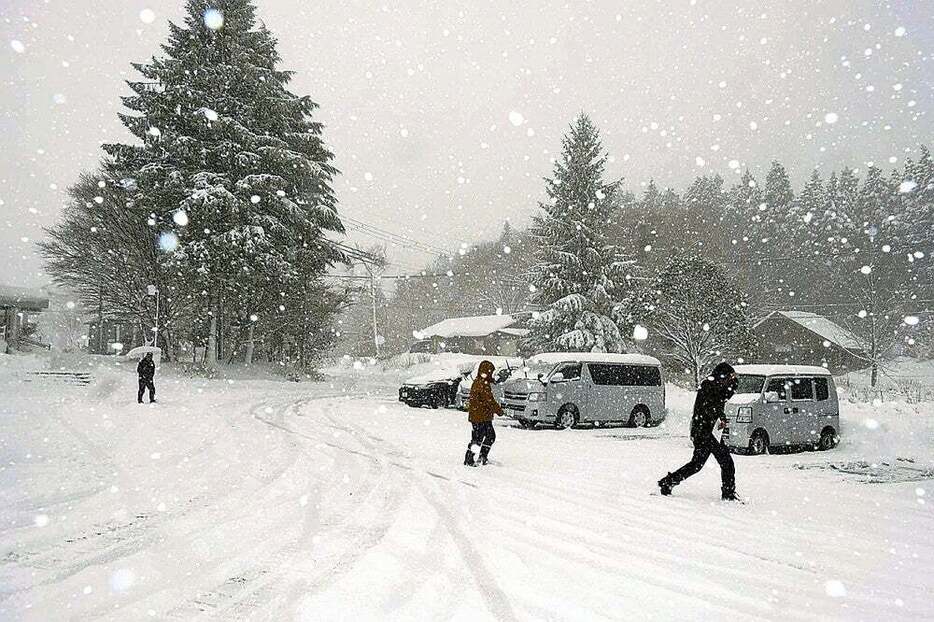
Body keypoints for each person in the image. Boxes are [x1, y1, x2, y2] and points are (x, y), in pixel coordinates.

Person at [658, 362, 739, 501]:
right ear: (722, 376)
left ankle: (668, 481)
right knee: (726, 463)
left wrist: (733, 384)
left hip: (708, 432)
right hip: (705, 432)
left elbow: (723, 399)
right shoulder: (709, 386)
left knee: (697, 464)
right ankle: (728, 493)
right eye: (729, 377)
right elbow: (712, 407)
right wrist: (719, 418)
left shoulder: (717, 386)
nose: (730, 380)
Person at [463, 360, 503, 466]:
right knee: (482, 438)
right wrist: (499, 411)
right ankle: (472, 458)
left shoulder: (480, 381)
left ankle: (478, 457)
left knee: (482, 437)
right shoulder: (482, 384)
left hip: (481, 416)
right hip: (480, 416)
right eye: (490, 372)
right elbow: (489, 400)